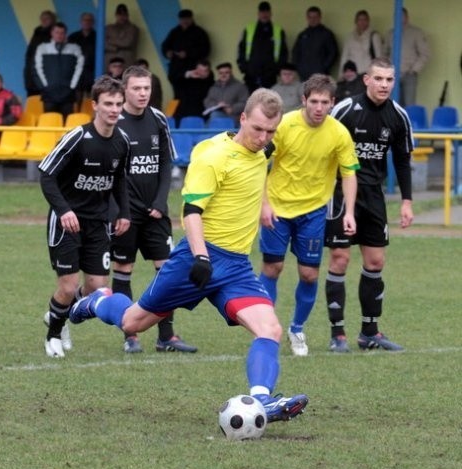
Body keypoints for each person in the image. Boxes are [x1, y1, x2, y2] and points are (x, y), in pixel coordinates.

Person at [69, 88, 309, 423]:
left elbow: (262, 170)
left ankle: (261, 401)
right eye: (257, 129)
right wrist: (200, 258)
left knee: (269, 329)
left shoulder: (265, 149)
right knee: (132, 322)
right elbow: (192, 211)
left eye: (271, 131)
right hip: (198, 259)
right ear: (242, 118)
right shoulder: (212, 156)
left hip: (237, 266)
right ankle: (97, 300)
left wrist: (265, 204)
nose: (263, 137)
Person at [258, 74, 359, 357]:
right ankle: (267, 328)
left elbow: (349, 173)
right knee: (272, 269)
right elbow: (259, 162)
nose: (318, 107)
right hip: (277, 208)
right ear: (303, 100)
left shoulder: (339, 133)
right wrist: (263, 204)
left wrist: (349, 212)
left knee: (309, 273)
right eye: (313, 101)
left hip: (314, 211)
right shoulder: (285, 125)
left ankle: (297, 328)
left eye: (324, 102)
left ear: (332, 103)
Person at [325, 58, 414, 353]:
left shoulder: (398, 116)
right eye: (378, 79)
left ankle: (369, 332)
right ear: (366, 80)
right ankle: (337, 334)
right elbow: (323, 147)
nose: (384, 85)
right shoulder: (346, 110)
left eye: (389, 80)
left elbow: (402, 160)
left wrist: (406, 201)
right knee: (340, 259)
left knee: (375, 262)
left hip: (374, 196)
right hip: (340, 192)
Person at [39, 75, 131, 358]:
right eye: (108, 104)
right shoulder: (78, 137)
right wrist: (63, 210)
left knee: (96, 286)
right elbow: (46, 174)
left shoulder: (122, 141)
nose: (114, 109)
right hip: (67, 222)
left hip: (98, 223)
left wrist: (123, 213)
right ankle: (54, 333)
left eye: (118, 104)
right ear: (95, 105)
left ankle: (58, 313)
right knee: (67, 285)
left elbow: (120, 180)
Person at [112, 65, 197, 354]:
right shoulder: (114, 120)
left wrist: (161, 202)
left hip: (155, 212)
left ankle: (167, 336)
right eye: (136, 88)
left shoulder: (158, 119)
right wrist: (119, 210)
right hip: (125, 213)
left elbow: (165, 163)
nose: (142, 93)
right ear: (125, 90)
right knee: (124, 269)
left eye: (146, 88)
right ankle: (130, 334)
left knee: (167, 271)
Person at [33, 22, 84, 119]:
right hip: (49, 94)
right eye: (57, 32)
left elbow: (80, 68)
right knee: (49, 123)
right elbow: (36, 69)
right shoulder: (42, 48)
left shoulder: (75, 48)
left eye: (62, 33)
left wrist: (72, 87)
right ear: (52, 33)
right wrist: (45, 87)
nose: (59, 35)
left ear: (65, 34)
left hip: (68, 94)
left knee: (68, 127)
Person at [237, 1, 288, 93]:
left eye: (267, 12)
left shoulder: (278, 30)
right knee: (252, 102)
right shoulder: (249, 29)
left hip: (270, 75)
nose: (264, 14)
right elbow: (241, 49)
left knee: (268, 102)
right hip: (251, 74)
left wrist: (277, 70)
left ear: (271, 13)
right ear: (258, 14)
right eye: (262, 12)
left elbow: (283, 53)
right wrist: (244, 68)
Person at [161, 8, 211, 99]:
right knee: (178, 95)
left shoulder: (199, 32)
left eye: (187, 19)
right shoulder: (174, 32)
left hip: (193, 68)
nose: (184, 21)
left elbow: (205, 50)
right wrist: (167, 53)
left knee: (194, 95)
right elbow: (165, 46)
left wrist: (188, 54)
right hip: (177, 70)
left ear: (191, 19)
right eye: (182, 19)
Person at [384, 8, 430, 106]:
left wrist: (414, 70)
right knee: (392, 105)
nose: (399, 18)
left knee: (409, 106)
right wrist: (388, 68)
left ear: (407, 18)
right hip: (393, 75)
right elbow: (384, 53)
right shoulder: (390, 34)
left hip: (409, 75)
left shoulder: (416, 33)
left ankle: (407, 122)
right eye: (396, 16)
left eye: (401, 16)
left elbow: (424, 54)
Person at [291, 6, 338, 81]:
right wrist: (299, 68)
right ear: (307, 18)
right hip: (304, 75)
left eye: (315, 17)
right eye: (310, 17)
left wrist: (323, 68)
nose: (313, 19)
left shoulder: (327, 34)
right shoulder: (303, 35)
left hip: (321, 75)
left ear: (320, 17)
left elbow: (333, 53)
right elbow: (295, 53)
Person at [338, 10, 383, 78]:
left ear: (368, 21)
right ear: (356, 21)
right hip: (352, 73)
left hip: (368, 73)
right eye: (359, 19)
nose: (362, 22)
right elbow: (345, 56)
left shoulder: (374, 36)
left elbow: (379, 57)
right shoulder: (350, 37)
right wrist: (341, 74)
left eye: (364, 19)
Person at [202, 62, 249, 126]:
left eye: (226, 72)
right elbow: (207, 101)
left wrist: (232, 109)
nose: (223, 75)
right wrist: (217, 105)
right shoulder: (214, 87)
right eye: (221, 73)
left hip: (235, 118)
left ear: (231, 73)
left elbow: (245, 103)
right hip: (216, 116)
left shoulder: (240, 86)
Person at [24, 9, 56, 96]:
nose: (44, 20)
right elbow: (29, 56)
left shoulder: (55, 35)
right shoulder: (36, 33)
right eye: (42, 18)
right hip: (32, 77)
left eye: (47, 18)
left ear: (52, 20)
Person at [68, 12, 96, 109]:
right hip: (76, 72)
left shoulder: (98, 36)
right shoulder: (73, 37)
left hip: (93, 71)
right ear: (81, 22)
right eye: (85, 20)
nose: (87, 22)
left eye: (89, 20)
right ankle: (76, 117)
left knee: (92, 97)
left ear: (93, 22)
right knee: (77, 98)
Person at [173, 59, 214, 123]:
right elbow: (175, 80)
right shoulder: (188, 80)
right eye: (199, 70)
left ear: (208, 72)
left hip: (201, 112)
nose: (201, 73)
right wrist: (188, 74)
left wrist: (206, 76)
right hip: (184, 111)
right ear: (196, 69)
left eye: (204, 71)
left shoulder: (210, 83)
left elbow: (210, 80)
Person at [104, 4, 139, 68]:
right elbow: (103, 44)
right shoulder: (108, 28)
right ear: (116, 15)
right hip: (110, 63)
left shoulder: (132, 28)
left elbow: (127, 43)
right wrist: (114, 48)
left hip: (126, 62)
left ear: (128, 15)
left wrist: (110, 40)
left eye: (124, 14)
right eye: (119, 14)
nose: (122, 17)